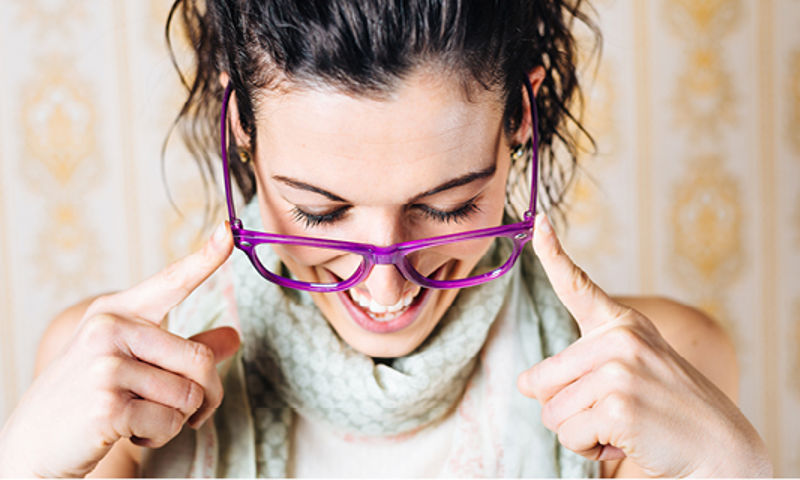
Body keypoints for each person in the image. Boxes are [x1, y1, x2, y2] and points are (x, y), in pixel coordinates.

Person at [0, 0, 772, 477]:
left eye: (446, 205)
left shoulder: (663, 374)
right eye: (322, 212)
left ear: (518, 122)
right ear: (242, 131)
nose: (385, 288)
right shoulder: (108, 384)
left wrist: (739, 473)